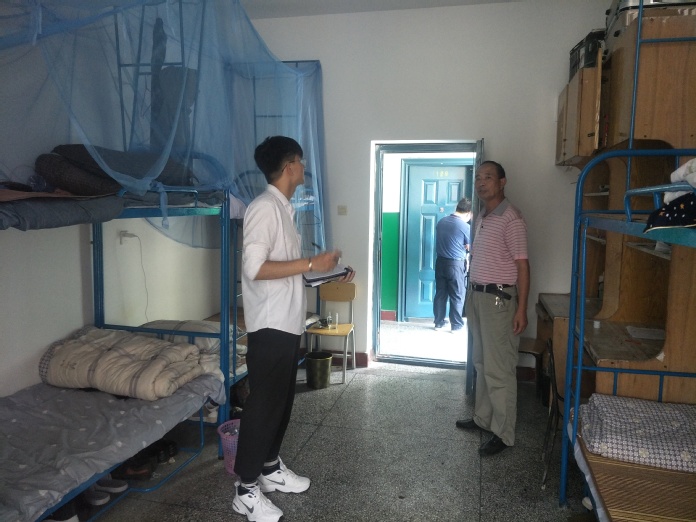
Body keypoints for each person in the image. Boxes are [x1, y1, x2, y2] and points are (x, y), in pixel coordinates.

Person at [233, 136, 354, 522]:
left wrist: (326, 271)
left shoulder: (284, 210)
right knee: (263, 407)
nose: (303, 168)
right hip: (269, 326)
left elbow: (288, 270)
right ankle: (245, 491)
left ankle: (270, 468)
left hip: (287, 323)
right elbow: (255, 268)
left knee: (282, 403)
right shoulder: (263, 208)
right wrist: (310, 263)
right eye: (300, 161)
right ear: (289, 167)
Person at [456, 160, 530, 457]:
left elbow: (522, 267)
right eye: (478, 177)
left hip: (499, 301)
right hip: (477, 297)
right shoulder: (483, 216)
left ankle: (503, 432)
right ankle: (483, 418)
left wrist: (522, 309)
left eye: (488, 177)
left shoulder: (511, 218)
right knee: (481, 363)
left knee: (499, 369)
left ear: (502, 182)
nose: (481, 182)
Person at [433, 197, 472, 332]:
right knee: (457, 294)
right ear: (468, 213)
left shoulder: (441, 222)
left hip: (440, 262)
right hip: (455, 264)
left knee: (440, 293)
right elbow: (470, 246)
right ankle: (456, 325)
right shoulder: (465, 227)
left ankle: (438, 323)